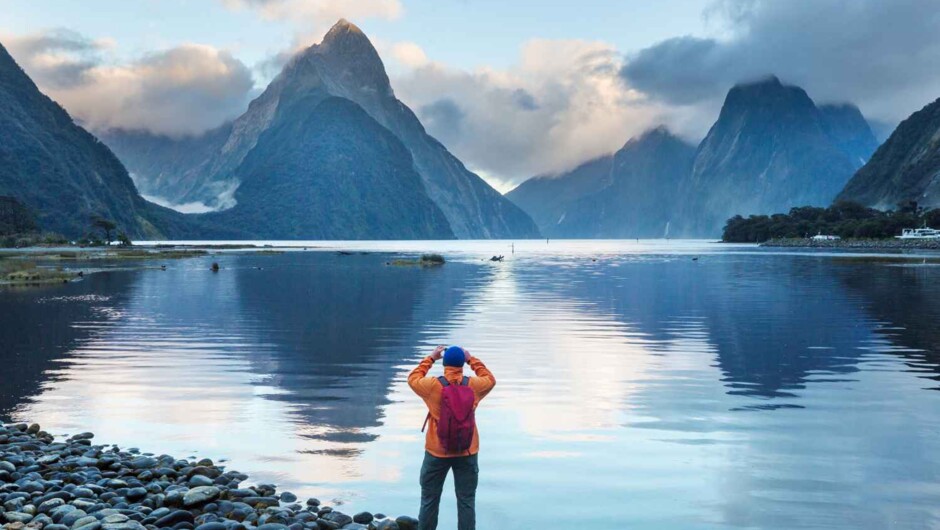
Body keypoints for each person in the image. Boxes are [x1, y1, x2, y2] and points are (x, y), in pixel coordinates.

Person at [408, 345, 496, 530]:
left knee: (429, 499)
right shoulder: (473, 385)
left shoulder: (432, 385)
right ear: (462, 364)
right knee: (466, 501)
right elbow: (490, 379)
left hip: (436, 452)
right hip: (468, 451)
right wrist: (472, 359)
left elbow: (413, 378)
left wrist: (431, 358)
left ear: (444, 363)